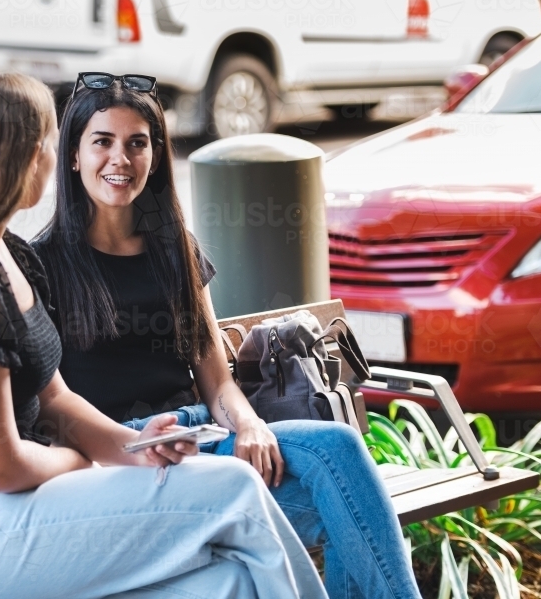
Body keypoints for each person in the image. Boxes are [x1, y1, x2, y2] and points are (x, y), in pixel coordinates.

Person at [0, 72, 327, 599]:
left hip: (15, 509)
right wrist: (78, 461)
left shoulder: (12, 258)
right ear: (28, 155)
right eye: (49, 142)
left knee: (227, 583)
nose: (54, 159)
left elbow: (56, 400)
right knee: (232, 489)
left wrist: (136, 446)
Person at [32, 72, 422, 599]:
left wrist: (251, 423)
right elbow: (53, 407)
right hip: (134, 460)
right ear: (74, 156)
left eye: (137, 143)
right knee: (345, 509)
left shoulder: (176, 250)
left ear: (156, 155)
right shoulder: (42, 266)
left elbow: (216, 380)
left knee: (339, 455)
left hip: (205, 440)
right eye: (102, 141)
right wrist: (130, 446)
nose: (119, 159)